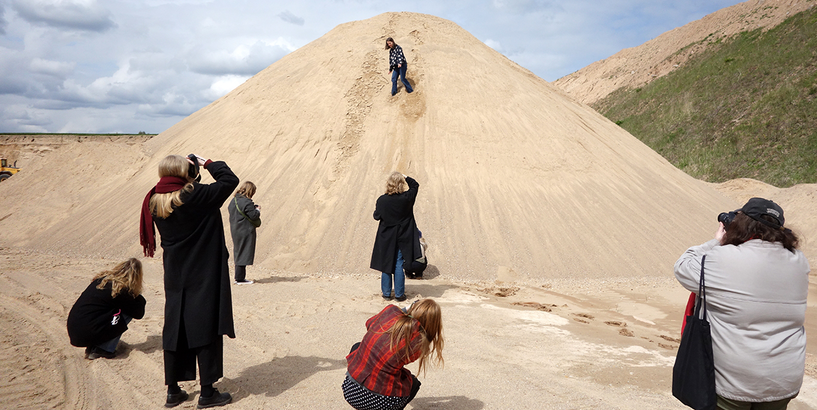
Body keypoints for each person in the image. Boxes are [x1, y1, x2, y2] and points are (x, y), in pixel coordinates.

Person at [674, 197, 810, 410]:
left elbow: (682, 267)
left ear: (743, 224)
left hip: (735, 384)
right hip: (784, 380)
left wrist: (718, 241)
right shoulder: (799, 261)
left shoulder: (721, 258)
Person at [140, 154, 239, 409]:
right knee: (204, 325)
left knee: (176, 326)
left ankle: (173, 390)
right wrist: (208, 163)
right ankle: (207, 393)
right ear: (185, 172)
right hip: (204, 270)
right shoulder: (194, 195)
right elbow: (230, 180)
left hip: (175, 272)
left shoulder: (153, 200)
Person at [343, 299, 444, 410]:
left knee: (357, 346)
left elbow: (369, 323)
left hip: (350, 390)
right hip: (381, 402)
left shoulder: (389, 312)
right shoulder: (419, 342)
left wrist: (407, 308)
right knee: (413, 383)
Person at [66, 258, 146, 360]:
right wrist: (137, 294)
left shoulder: (102, 280)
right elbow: (138, 313)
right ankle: (103, 349)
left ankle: (94, 346)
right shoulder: (120, 289)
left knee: (109, 311)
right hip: (85, 331)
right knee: (125, 313)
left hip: (76, 328)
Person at [370, 172, 421, 301]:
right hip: (402, 236)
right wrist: (406, 177)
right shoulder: (406, 198)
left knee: (386, 263)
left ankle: (386, 294)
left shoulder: (382, 200)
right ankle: (399, 295)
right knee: (399, 264)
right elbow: (415, 185)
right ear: (401, 184)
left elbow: (376, 216)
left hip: (386, 236)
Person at [228, 181, 261, 285]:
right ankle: (240, 278)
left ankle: (239, 277)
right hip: (245, 231)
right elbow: (254, 216)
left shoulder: (234, 201)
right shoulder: (247, 202)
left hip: (235, 229)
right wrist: (258, 210)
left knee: (239, 252)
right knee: (243, 252)